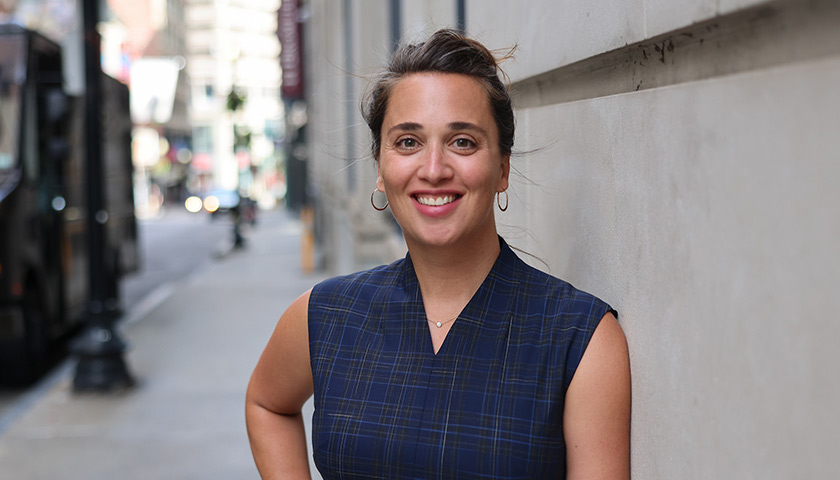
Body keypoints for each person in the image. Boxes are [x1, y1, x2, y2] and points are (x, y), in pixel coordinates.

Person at [246, 28, 631, 479]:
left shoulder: (579, 339)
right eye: (408, 141)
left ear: (502, 168)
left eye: (462, 141)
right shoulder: (325, 315)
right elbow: (267, 404)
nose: (433, 169)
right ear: (379, 167)